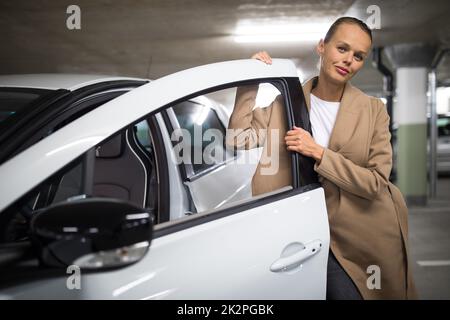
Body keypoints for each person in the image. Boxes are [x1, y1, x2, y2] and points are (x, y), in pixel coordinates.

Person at [227, 17, 417, 299]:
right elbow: (237, 139)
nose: (348, 60)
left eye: (358, 56)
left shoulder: (373, 110)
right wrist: (249, 83)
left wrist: (318, 152)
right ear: (322, 46)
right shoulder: (285, 105)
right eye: (342, 48)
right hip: (305, 231)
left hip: (363, 233)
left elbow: (375, 182)